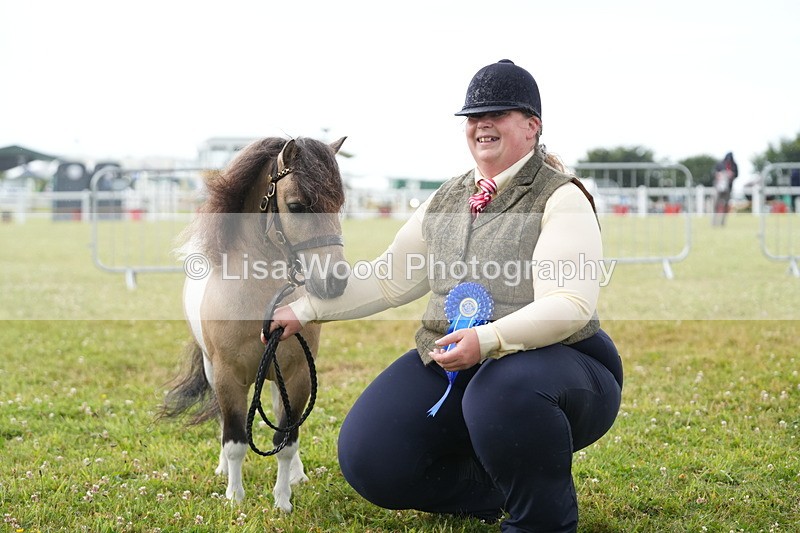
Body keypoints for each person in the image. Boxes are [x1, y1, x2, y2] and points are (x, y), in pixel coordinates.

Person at [266, 59, 623, 532]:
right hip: (457, 355)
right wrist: (305, 308)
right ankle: (497, 491)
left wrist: (487, 341)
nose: (481, 124)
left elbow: (570, 306)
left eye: (497, 113)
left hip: (564, 364)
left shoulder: (563, 197)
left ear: (532, 126)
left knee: (501, 393)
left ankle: (542, 519)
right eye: (473, 116)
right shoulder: (446, 198)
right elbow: (391, 278)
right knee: (369, 454)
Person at [712, 152, 738, 226]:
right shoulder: (719, 164)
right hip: (718, 188)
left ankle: (722, 223)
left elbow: (737, 174)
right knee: (715, 205)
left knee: (726, 206)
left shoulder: (734, 165)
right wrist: (718, 175)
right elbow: (713, 172)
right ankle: (714, 222)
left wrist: (731, 174)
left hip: (728, 188)